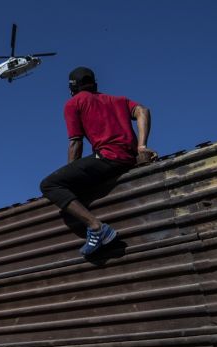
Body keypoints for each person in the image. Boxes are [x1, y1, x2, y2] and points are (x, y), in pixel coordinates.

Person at [40, 66, 158, 256]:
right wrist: (141, 147)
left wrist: (71, 174)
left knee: (49, 184)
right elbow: (143, 110)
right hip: (128, 158)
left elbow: (75, 143)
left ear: (72, 88)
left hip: (108, 157)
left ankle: (97, 228)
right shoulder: (117, 100)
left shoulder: (74, 103)